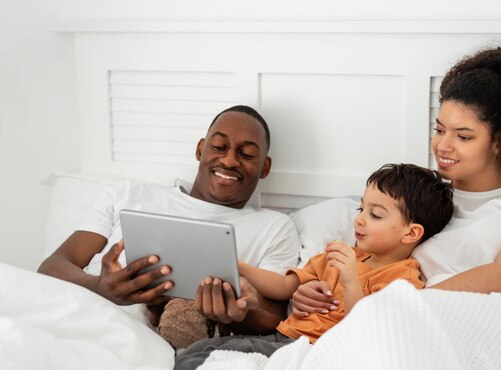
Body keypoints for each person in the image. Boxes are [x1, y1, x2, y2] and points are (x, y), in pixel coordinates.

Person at [291, 46, 501, 316]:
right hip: (400, 315)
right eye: (440, 129)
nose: (442, 145)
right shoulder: (420, 198)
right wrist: (312, 290)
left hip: (476, 313)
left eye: (463, 136)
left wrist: (403, 306)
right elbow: (368, 267)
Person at [37, 105, 302, 336]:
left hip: (152, 340)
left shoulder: (274, 228)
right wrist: (98, 287)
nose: (230, 160)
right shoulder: (129, 194)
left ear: (264, 167)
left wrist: (241, 312)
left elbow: (275, 317)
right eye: (219, 147)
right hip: (78, 316)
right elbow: (53, 266)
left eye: (246, 154)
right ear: (200, 149)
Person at [173, 163, 454, 370]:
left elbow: (370, 331)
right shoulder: (341, 255)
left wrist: (351, 280)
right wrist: (238, 266)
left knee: (201, 359)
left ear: (411, 233)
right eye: (360, 208)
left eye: (375, 214)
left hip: (317, 353)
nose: (359, 219)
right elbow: (284, 287)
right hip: (285, 338)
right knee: (198, 351)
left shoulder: (405, 278)